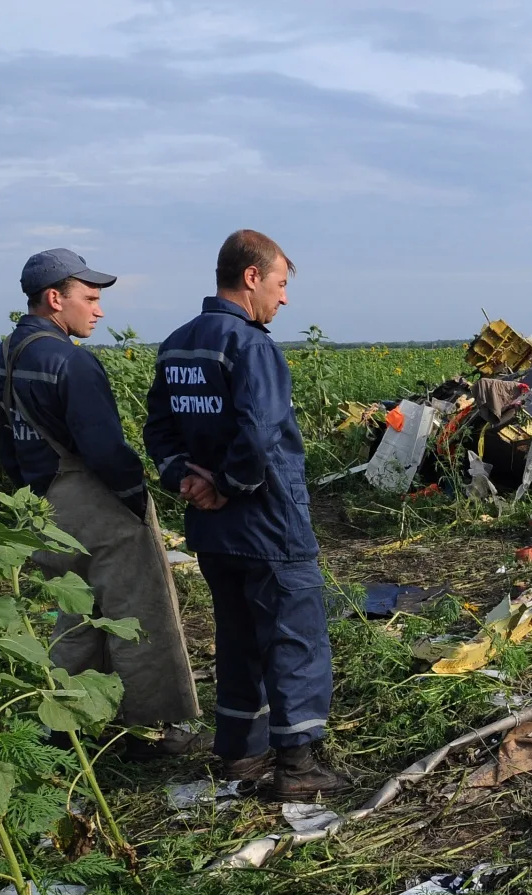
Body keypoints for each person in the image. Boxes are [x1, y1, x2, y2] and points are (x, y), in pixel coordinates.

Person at [142, 230, 349, 798]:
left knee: (237, 638)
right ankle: (298, 766)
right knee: (295, 638)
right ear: (251, 277)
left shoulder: (178, 346)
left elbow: (158, 429)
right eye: (279, 284)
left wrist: (184, 479)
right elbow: (259, 433)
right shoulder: (251, 346)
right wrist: (228, 486)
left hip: (214, 533)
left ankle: (241, 753)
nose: (284, 298)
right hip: (269, 523)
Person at [0, 249, 204, 758]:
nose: (99, 310)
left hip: (45, 505)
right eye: (89, 298)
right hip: (96, 503)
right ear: (54, 298)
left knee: (78, 615)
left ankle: (69, 727)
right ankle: (152, 731)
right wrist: (134, 501)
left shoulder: (5, 357)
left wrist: (34, 495)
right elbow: (105, 450)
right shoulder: (70, 361)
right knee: (139, 615)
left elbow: (5, 444)